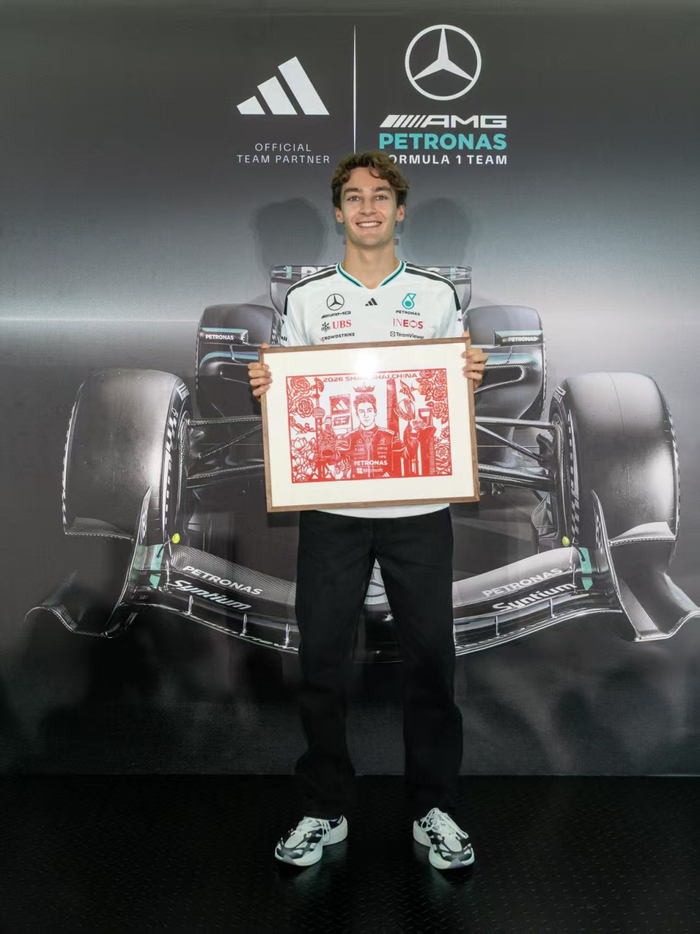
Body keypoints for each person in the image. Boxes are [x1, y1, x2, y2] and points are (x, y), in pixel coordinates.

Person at [248, 151, 488, 871]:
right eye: (354, 197)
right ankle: (324, 808)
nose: (368, 208)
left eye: (380, 196)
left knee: (431, 661)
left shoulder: (436, 296)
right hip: (333, 508)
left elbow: (445, 399)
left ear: (400, 211)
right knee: (322, 660)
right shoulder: (306, 299)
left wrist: (468, 377)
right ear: (339, 213)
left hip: (420, 505)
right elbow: (292, 399)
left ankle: (435, 807)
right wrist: (269, 388)